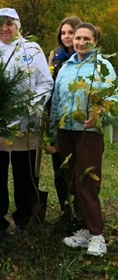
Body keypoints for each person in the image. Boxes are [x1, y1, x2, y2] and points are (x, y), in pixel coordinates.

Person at [0, 8, 54, 241]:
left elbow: (45, 82)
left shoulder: (32, 50)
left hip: (26, 126)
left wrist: (35, 103)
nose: (5, 28)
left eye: (9, 23)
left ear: (18, 25)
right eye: (0, 24)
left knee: (24, 176)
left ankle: (25, 218)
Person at [50, 22, 115, 257]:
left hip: (88, 132)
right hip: (66, 131)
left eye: (86, 38)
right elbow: (57, 100)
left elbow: (114, 97)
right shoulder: (66, 67)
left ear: (95, 42)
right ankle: (84, 230)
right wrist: (52, 130)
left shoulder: (103, 66)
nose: (80, 42)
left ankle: (97, 235)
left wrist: (99, 114)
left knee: (87, 180)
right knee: (71, 180)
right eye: (77, 38)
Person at [48, 16, 82, 229]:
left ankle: (81, 215)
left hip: (79, 125)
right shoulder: (56, 60)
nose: (67, 36)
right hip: (57, 123)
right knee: (60, 170)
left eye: (71, 32)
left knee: (79, 170)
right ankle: (65, 211)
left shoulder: (85, 60)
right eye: (64, 33)